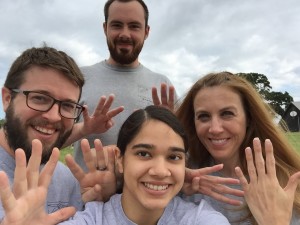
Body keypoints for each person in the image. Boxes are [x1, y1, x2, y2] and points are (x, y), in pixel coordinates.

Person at [0, 105, 230, 225]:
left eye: (174, 157)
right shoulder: (91, 219)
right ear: (119, 160)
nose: (160, 171)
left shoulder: (199, 218)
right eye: (143, 153)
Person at [0, 46, 123, 219]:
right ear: (7, 99)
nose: (53, 116)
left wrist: (98, 204)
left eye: (67, 106)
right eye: (40, 98)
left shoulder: (68, 181)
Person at [176, 71, 300, 224]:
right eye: (203, 116)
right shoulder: (185, 175)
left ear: (248, 118)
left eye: (227, 113)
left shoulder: (284, 183)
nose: (215, 128)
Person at [72, 0, 176, 171]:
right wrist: (84, 129)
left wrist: (169, 130)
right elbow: (52, 141)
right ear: (105, 28)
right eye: (117, 25)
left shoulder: (162, 86)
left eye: (134, 26)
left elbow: (179, 151)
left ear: (146, 31)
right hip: (85, 194)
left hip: (144, 194)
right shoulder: (79, 78)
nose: (125, 34)